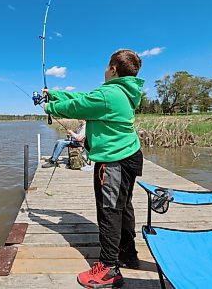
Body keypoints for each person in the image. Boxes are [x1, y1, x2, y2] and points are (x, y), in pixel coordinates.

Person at [44, 49, 144, 288]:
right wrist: (55, 93)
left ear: (113, 69)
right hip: (129, 156)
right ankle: (128, 254)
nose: (105, 70)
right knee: (122, 206)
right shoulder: (124, 92)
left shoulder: (109, 94)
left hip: (113, 162)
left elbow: (79, 106)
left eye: (106, 66)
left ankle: (109, 268)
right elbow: (85, 96)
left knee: (109, 211)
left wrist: (50, 107)